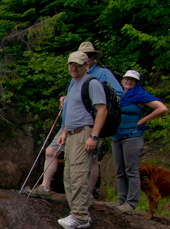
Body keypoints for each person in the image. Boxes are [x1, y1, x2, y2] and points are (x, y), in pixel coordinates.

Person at [30, 42, 121, 199]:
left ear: (91, 60)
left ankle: (88, 195)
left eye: (90, 55)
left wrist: (97, 97)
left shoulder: (101, 74)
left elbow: (117, 95)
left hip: (89, 125)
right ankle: (45, 187)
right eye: (84, 55)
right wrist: (65, 100)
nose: (87, 58)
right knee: (52, 151)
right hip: (69, 125)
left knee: (91, 159)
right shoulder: (75, 75)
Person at [56, 51, 107, 229]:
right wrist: (64, 132)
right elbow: (71, 111)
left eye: (77, 64)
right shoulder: (74, 84)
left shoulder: (91, 83)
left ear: (86, 65)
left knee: (78, 174)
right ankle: (76, 211)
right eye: (71, 64)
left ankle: (80, 216)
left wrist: (94, 135)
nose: (73, 67)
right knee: (69, 174)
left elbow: (102, 110)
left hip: (84, 134)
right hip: (71, 134)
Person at [111, 70, 168, 213]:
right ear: (122, 79)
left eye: (132, 79)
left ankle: (131, 204)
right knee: (120, 171)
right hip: (116, 136)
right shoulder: (117, 95)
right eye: (127, 79)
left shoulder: (140, 95)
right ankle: (121, 201)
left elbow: (162, 108)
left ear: (137, 82)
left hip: (132, 136)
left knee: (131, 170)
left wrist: (143, 120)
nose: (129, 81)